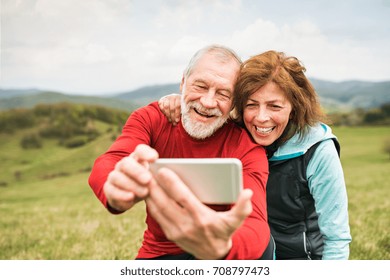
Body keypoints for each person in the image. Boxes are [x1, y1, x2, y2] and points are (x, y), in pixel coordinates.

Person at [158, 50, 352, 260]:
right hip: (246, 258)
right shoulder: (236, 136)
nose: (261, 118)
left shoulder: (318, 150)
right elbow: (207, 109)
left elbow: (336, 239)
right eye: (251, 105)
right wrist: (179, 101)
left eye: (274, 106)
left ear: (294, 108)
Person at [88, 45, 272, 260]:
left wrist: (224, 246)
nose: (208, 102)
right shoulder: (151, 119)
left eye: (223, 93)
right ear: (183, 82)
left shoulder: (246, 147)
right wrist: (115, 185)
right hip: (161, 252)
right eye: (201, 86)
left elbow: (255, 224)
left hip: (221, 250)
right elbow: (112, 159)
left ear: (233, 103)